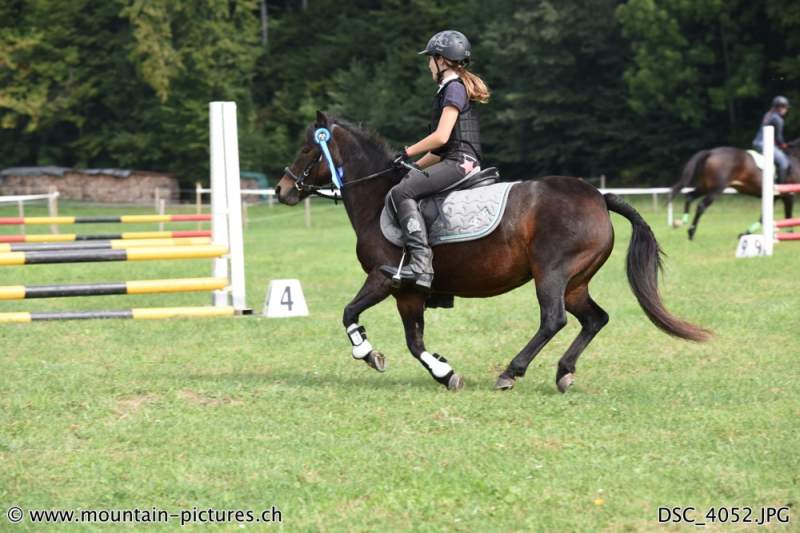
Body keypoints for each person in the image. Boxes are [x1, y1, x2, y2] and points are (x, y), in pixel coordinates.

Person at [381, 30, 490, 290]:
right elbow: (441, 149)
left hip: (460, 162)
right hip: (455, 159)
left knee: (401, 193)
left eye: (430, 59)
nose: (428, 64)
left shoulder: (453, 88)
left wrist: (407, 151)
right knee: (409, 181)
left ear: (441, 60)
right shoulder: (452, 87)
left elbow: (440, 137)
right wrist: (413, 166)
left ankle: (420, 265)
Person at [753, 96, 791, 182]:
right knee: (784, 162)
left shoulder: (768, 114)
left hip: (757, 142)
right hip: (764, 144)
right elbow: (778, 137)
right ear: (780, 107)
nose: (786, 110)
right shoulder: (778, 119)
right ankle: (780, 187)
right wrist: (783, 145)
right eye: (785, 108)